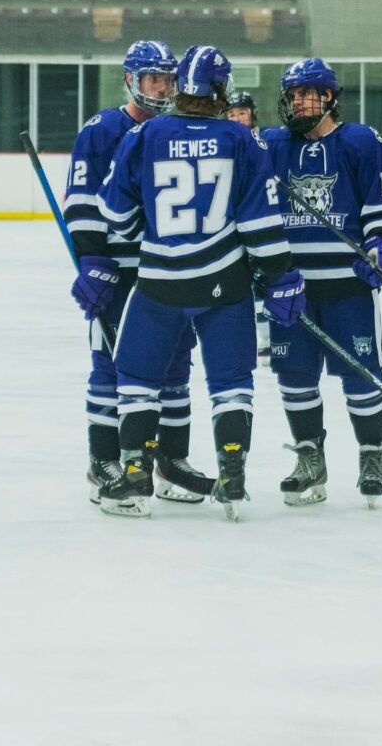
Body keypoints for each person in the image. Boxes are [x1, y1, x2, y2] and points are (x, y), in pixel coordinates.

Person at [96, 45, 304, 520]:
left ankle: (134, 472)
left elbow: (115, 214)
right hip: (223, 286)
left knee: (138, 381)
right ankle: (232, 473)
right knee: (231, 382)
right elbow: (260, 224)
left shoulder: (145, 135)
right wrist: (280, 276)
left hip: (158, 284)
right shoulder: (240, 139)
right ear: (219, 89)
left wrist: (138, 235)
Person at [65, 40, 205, 511]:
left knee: (175, 366)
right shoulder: (103, 129)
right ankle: (103, 460)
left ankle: (171, 460)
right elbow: (82, 203)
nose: (161, 88)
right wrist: (93, 261)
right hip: (120, 273)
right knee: (110, 367)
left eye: (168, 79)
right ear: (130, 80)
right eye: (152, 79)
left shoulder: (178, 129)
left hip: (171, 270)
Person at [261, 57, 382, 507]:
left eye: (307, 93)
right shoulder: (273, 145)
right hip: (291, 288)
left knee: (362, 376)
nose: (297, 102)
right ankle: (310, 460)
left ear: (329, 97)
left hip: (347, 286)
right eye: (292, 94)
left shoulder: (360, 141)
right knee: (295, 377)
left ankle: (371, 456)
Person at [225, 91, 270, 364]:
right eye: (231, 114)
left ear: (252, 114)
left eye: (241, 112)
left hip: (265, 221)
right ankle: (261, 337)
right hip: (234, 225)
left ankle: (279, 335)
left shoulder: (267, 142)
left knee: (270, 279)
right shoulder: (223, 145)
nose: (237, 118)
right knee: (249, 284)